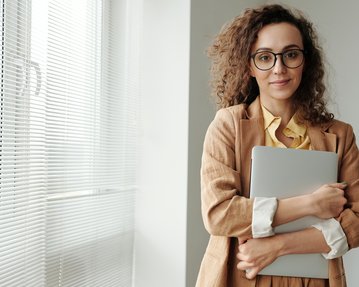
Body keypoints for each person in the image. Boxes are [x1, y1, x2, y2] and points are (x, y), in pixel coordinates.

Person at [196, 4, 359, 287]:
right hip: (238, 277)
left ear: (305, 61)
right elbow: (219, 214)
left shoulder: (340, 135)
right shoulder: (228, 126)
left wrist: (277, 245)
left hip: (316, 280)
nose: (279, 68)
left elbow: (358, 221)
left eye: (291, 54)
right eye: (265, 57)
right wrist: (311, 203)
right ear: (248, 65)